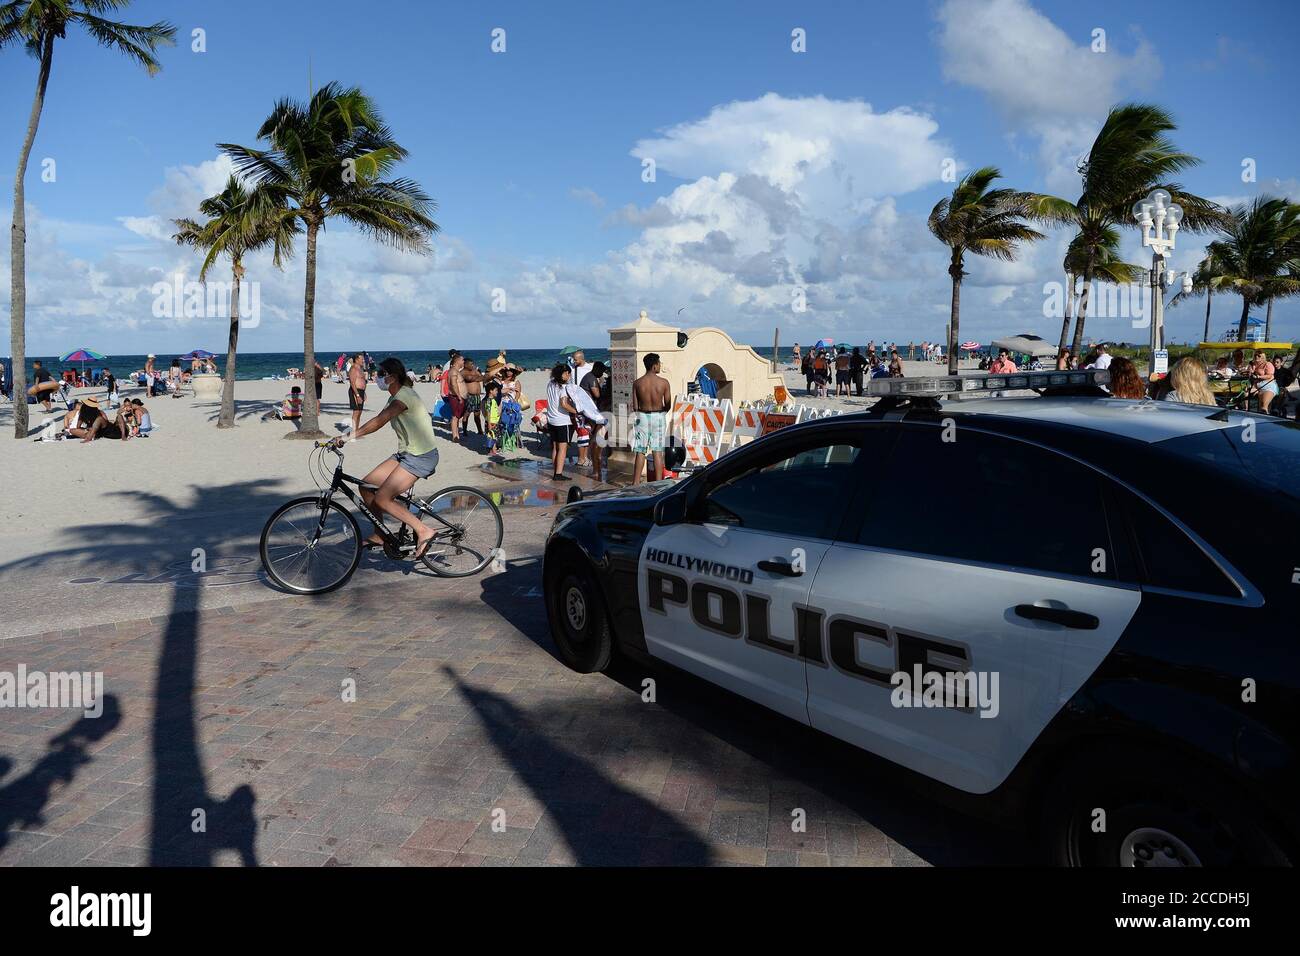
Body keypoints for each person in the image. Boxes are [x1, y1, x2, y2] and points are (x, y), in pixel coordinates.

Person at [331, 357, 440, 559]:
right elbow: (379, 419)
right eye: (377, 374)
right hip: (406, 453)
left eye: (381, 374)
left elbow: (379, 421)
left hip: (421, 456)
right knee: (366, 485)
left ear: (393, 376)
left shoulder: (403, 397)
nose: (377, 377)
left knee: (382, 497)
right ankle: (381, 534)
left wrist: (347, 436)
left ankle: (424, 530)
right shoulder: (394, 397)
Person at [631, 352, 672, 485]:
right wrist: (662, 412)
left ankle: (635, 483)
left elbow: (635, 406)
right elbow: (668, 403)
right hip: (658, 416)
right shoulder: (664, 383)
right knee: (657, 451)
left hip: (642, 416)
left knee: (640, 451)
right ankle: (659, 483)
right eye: (659, 363)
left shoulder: (637, 383)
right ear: (654, 366)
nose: (660, 366)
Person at [546, 363, 579, 481]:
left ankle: (556, 470)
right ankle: (558, 474)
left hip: (551, 419)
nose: (569, 376)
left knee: (555, 447)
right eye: (568, 374)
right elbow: (564, 404)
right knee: (562, 448)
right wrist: (576, 411)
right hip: (562, 421)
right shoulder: (563, 388)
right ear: (565, 374)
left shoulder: (550, 384)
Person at [462, 359, 485, 436]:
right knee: (467, 413)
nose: (473, 365)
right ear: (466, 365)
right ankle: (464, 431)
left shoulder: (474, 370)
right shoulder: (463, 372)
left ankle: (480, 430)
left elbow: (481, 377)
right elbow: (469, 378)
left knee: (477, 414)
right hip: (469, 396)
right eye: (471, 364)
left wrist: (477, 377)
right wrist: (477, 377)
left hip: (477, 396)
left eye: (473, 364)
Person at [347, 352, 367, 434]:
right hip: (355, 391)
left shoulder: (360, 369)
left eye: (363, 359)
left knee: (360, 412)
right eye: (361, 359)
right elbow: (352, 383)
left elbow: (362, 381)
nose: (363, 360)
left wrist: (364, 393)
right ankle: (353, 432)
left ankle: (356, 431)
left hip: (361, 392)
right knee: (356, 412)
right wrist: (357, 395)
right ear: (356, 360)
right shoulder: (353, 369)